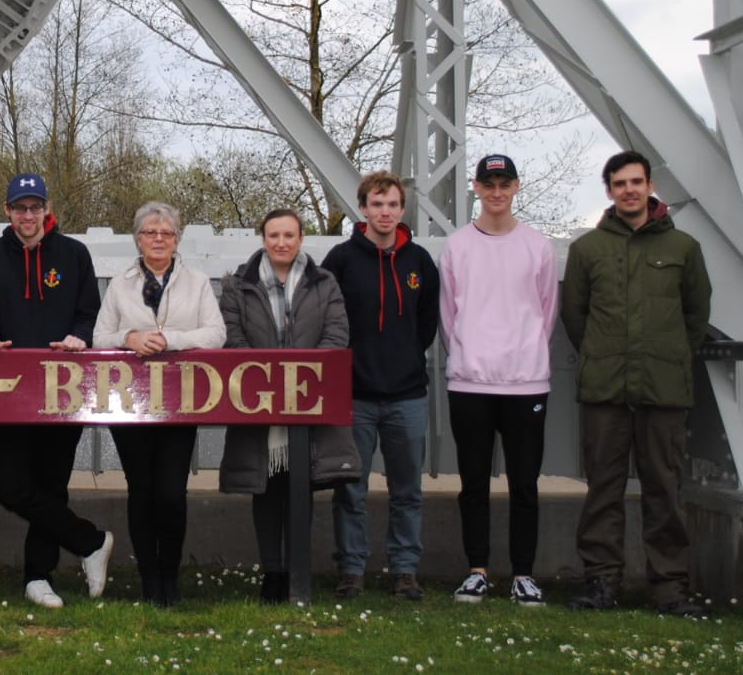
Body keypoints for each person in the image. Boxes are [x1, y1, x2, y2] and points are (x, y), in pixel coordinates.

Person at [562, 150, 712, 618]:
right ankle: (601, 581)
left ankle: (669, 588)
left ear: (649, 186)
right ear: (608, 190)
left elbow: (696, 316)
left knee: (663, 488)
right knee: (602, 488)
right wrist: (605, 354)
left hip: (663, 389)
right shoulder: (587, 250)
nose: (629, 189)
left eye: (637, 181)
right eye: (619, 183)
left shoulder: (683, 249)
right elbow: (575, 316)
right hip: (605, 388)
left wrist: (666, 357)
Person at [0, 172, 115, 609]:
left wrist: (79, 336)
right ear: (7, 211)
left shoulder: (73, 254)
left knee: (50, 485)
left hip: (63, 387)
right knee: (11, 488)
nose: (28, 215)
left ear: (46, 209)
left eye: (35, 207)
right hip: (8, 390)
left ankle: (39, 576)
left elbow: (89, 312)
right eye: (20, 208)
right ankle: (90, 540)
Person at [218, 208, 359, 604]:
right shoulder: (237, 284)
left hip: (307, 402)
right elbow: (232, 338)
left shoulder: (324, 282)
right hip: (256, 402)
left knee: (301, 490)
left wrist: (302, 377)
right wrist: (263, 377)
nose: (281, 242)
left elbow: (336, 334)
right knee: (265, 491)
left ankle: (298, 570)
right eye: (274, 235)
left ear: (301, 238)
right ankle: (273, 574)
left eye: (289, 235)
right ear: (262, 238)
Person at [438, 154, 558, 608]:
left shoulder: (537, 246)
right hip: (470, 382)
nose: (496, 192)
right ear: (476, 187)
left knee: (525, 484)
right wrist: (469, 354)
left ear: (516, 187)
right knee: (473, 483)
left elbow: (546, 311)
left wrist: (524, 354)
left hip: (525, 382)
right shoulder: (458, 246)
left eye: (504, 183)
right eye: (488, 183)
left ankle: (524, 574)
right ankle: (477, 570)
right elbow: (449, 315)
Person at [94, 200, 225, 606]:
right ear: (137, 239)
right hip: (129, 402)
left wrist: (173, 341)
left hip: (179, 401)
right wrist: (129, 337)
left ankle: (170, 577)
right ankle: (149, 580)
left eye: (166, 233)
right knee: (142, 492)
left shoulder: (197, 282)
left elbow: (216, 333)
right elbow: (100, 338)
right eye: (150, 232)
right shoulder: (120, 284)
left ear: (177, 239)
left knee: (171, 493)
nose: (158, 239)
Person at [322, 170, 440, 602]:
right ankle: (352, 570)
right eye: (376, 204)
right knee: (350, 488)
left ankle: (404, 570)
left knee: (406, 489)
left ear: (402, 209)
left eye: (392, 204)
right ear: (363, 208)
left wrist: (406, 356)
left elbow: (426, 321)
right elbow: (328, 318)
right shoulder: (341, 259)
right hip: (353, 394)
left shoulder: (419, 262)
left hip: (407, 395)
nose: (384, 212)